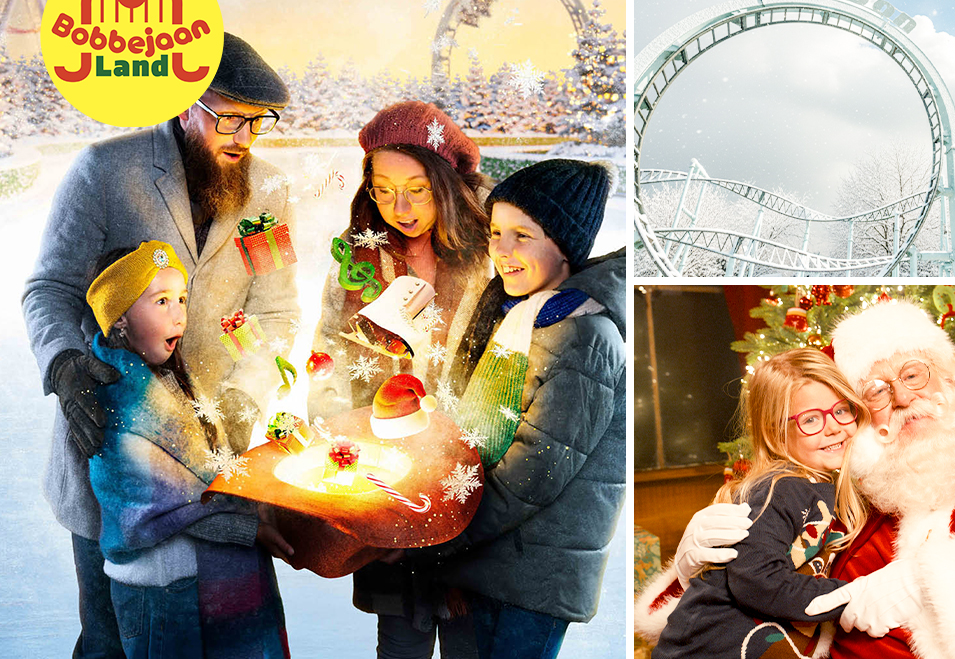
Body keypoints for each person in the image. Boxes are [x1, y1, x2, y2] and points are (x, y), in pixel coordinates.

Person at [23, 32, 299, 659]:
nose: (244, 139)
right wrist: (66, 363)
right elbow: (49, 288)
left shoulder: (269, 193)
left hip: (212, 461)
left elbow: (277, 311)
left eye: (259, 123)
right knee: (111, 639)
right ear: (185, 101)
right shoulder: (105, 169)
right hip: (112, 445)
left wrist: (242, 397)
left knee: (208, 635)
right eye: (229, 117)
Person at [646, 302, 955, 659]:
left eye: (913, 375)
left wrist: (924, 580)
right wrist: (697, 569)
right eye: (877, 391)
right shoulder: (853, 505)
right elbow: (772, 603)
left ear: (949, 378)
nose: (904, 398)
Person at [412, 158, 626, 659]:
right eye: (496, 233)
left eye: (522, 236)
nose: (501, 251)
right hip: (489, 564)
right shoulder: (522, 317)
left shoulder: (583, 336)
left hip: (531, 578)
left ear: (565, 245)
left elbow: (532, 474)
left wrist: (435, 540)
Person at [307, 101, 492, 659]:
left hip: (474, 482)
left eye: (417, 189)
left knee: (471, 637)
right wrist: (342, 446)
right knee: (400, 638)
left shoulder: (494, 255)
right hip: (385, 479)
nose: (400, 207)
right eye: (383, 190)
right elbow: (326, 360)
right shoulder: (358, 261)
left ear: (447, 182)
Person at [84, 241, 290, 658]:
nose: (179, 313)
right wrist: (248, 527)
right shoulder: (117, 397)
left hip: (193, 582)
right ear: (119, 317)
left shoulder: (166, 374)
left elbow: (203, 473)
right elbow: (160, 505)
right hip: (164, 595)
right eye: (161, 301)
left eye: (181, 298)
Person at [649, 348, 869, 659]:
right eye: (810, 419)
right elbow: (759, 582)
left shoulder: (826, 485)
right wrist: (854, 597)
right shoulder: (780, 489)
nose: (833, 427)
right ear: (776, 432)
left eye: (841, 410)